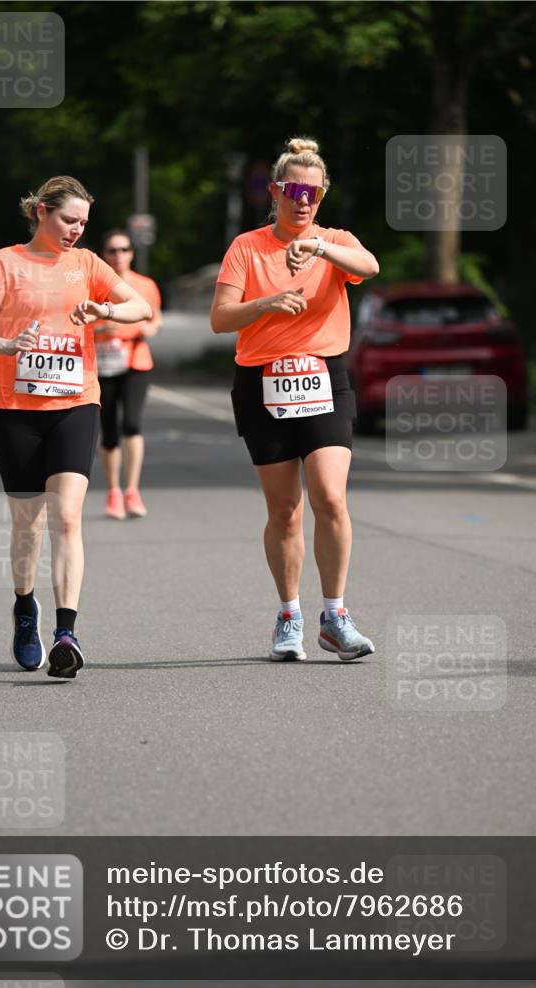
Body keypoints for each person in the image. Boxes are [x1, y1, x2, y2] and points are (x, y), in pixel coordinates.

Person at [0, 176, 152, 679]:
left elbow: (143, 307)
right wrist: (8, 345)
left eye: (83, 223)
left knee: (67, 518)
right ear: (41, 213)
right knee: (28, 526)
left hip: (75, 404)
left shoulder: (87, 263)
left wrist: (105, 309)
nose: (76, 230)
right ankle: (26, 608)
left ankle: (66, 633)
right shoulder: (5, 263)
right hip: (16, 410)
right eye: (69, 220)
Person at [210, 137, 379, 663]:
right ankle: (290, 616)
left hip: (324, 377)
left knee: (330, 497)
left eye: (313, 191)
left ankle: (336, 615)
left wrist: (323, 249)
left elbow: (369, 266)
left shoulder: (335, 242)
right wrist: (264, 304)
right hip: (262, 381)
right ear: (275, 191)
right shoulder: (247, 246)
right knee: (285, 510)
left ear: (321, 196)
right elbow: (221, 319)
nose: (302, 199)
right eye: (292, 189)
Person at [93, 229, 162, 519]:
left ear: (131, 254)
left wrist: (150, 328)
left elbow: (154, 317)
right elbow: (79, 323)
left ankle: (132, 490)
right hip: (103, 364)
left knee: (132, 424)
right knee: (109, 432)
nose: (118, 255)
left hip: (135, 361)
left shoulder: (145, 285)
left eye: (123, 250)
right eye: (112, 251)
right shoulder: (94, 285)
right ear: (104, 255)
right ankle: (113, 492)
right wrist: (99, 329)